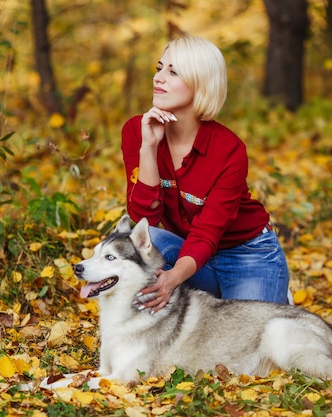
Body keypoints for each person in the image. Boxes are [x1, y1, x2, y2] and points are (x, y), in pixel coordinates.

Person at [121, 35, 290, 314]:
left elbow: (207, 234)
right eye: (159, 68)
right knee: (148, 238)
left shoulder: (229, 150)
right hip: (188, 249)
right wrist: (149, 147)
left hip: (247, 256)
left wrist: (171, 280)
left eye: (173, 72)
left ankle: (269, 292)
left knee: (241, 347)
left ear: (200, 83)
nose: (159, 78)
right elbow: (145, 220)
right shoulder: (136, 131)